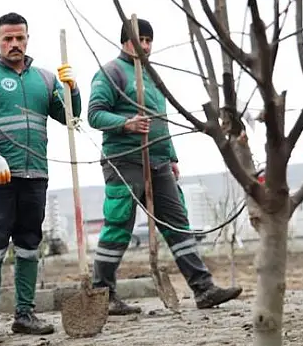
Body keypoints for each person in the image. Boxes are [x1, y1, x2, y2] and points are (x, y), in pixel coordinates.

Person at [87, 19, 242, 314]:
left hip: (158, 161)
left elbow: (162, 119)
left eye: (149, 40)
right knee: (119, 226)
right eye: (140, 39)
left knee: (177, 224)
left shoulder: (152, 76)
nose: (145, 46)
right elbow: (95, 114)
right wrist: (125, 123)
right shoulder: (111, 73)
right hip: (124, 160)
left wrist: (171, 157)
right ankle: (102, 295)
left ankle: (203, 288)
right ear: (125, 41)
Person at [0, 12, 80, 341]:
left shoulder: (44, 79)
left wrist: (72, 88)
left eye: (20, 38)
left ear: (28, 39)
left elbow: (70, 117)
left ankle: (25, 314)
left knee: (29, 244)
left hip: (35, 174)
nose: (15, 44)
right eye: (8, 38)